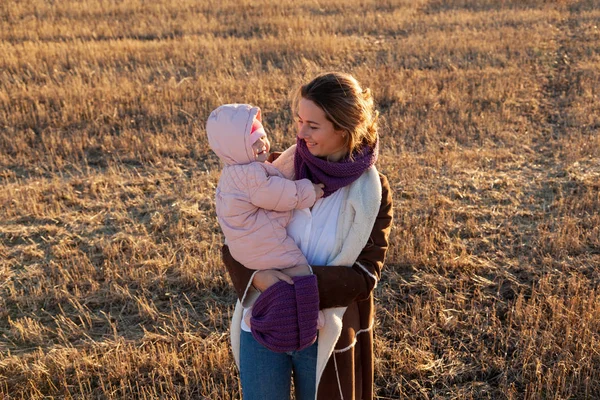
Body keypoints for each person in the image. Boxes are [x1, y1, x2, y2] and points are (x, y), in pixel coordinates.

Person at [221, 72, 394, 400]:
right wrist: (258, 279)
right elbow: (234, 239)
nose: (300, 134)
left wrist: (299, 290)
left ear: (344, 130)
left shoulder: (372, 192)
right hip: (262, 320)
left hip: (324, 331)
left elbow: (366, 275)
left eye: (313, 126)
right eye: (299, 120)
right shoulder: (273, 172)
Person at [206, 103, 325, 353]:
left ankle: (259, 314)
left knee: (278, 284)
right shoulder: (250, 175)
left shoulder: (232, 172)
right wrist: (308, 191)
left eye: (262, 137)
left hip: (244, 245)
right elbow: (276, 195)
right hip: (262, 242)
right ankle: (310, 316)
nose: (262, 145)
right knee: (300, 270)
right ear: (237, 149)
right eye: (253, 143)